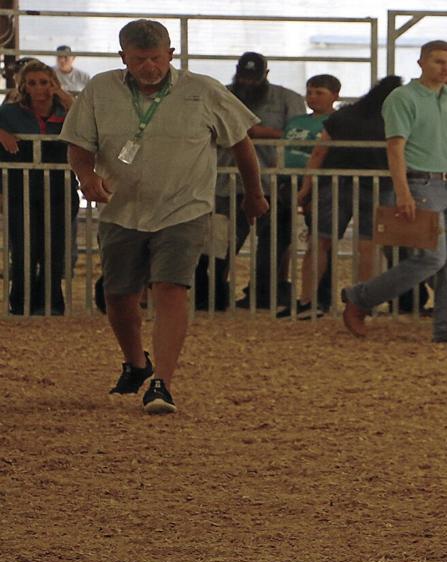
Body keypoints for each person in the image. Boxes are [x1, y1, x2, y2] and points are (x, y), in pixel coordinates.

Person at [62, 18, 266, 414]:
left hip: (184, 208)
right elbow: (79, 143)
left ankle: (163, 383)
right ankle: (138, 364)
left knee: (171, 287)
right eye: (139, 59)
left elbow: (242, 143)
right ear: (123, 57)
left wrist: (253, 193)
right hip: (120, 208)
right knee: (118, 296)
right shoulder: (99, 89)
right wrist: (86, 177)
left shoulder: (203, 90)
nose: (149, 67)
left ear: (171, 54)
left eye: (156, 58)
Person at [338, 40, 447, 345]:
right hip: (422, 182)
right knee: (431, 258)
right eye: (439, 62)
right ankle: (361, 298)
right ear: (421, 63)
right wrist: (403, 192)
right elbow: (395, 147)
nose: (446, 68)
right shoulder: (402, 98)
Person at [206, 51, 306, 311]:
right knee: (221, 241)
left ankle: (266, 294)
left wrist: (261, 133)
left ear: (266, 75)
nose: (248, 82)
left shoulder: (288, 99)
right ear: (236, 72)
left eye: (254, 77)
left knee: (274, 242)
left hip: (274, 184)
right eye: (244, 76)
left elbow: (298, 136)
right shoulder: (220, 96)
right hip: (226, 182)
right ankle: (213, 292)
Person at [296, 74, 400, 319]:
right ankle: (364, 303)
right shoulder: (394, 118)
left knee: (319, 242)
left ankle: (306, 302)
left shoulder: (343, 116)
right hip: (377, 184)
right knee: (368, 246)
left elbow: (320, 151)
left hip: (335, 183)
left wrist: (305, 187)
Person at [0, 59, 74, 315]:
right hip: (20, 188)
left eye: (44, 82)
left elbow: (90, 127)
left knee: (54, 248)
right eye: (32, 83)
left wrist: (66, 98)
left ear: (53, 84)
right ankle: (21, 302)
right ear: (24, 87)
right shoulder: (10, 112)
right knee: (23, 247)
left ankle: (52, 302)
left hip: (59, 188)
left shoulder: (67, 110)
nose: (39, 88)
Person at [276, 73, 337, 319]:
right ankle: (282, 293)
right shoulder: (296, 121)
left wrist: (311, 186)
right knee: (280, 238)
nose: (312, 97)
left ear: (335, 96)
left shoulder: (337, 122)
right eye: (309, 92)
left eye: (319, 93)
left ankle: (320, 298)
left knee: (320, 240)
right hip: (286, 180)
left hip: (317, 184)